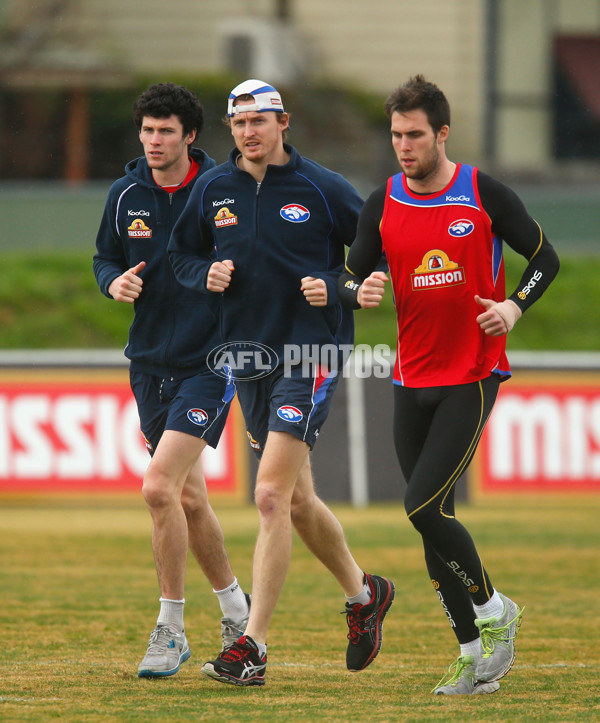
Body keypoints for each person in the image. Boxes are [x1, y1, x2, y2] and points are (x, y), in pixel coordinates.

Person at [168, 78, 395, 687]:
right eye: (238, 123)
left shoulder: (325, 189)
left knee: (268, 496)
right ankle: (363, 594)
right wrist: (203, 273)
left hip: (309, 354)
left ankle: (253, 646)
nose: (248, 132)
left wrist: (339, 285)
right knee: (295, 500)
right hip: (244, 357)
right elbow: (181, 255)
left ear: (283, 122)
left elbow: (377, 256)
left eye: (259, 121)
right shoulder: (213, 186)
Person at [338, 75, 559, 696]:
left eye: (414, 135)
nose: (403, 146)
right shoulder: (381, 202)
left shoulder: (482, 192)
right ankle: (472, 656)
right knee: (435, 522)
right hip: (411, 379)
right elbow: (349, 277)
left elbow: (546, 260)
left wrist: (514, 307)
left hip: (473, 375)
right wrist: (361, 290)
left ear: (441, 133)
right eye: (395, 136)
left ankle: (494, 610)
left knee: (420, 506)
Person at [93, 82, 250, 679]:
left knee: (159, 487)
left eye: (166, 131)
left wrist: (224, 275)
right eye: (147, 131)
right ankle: (237, 609)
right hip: (148, 363)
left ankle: (170, 628)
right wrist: (113, 282)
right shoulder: (125, 193)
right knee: (187, 495)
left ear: (189, 136)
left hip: (210, 360)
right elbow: (105, 257)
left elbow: (253, 261)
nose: (153, 141)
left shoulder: (221, 192)